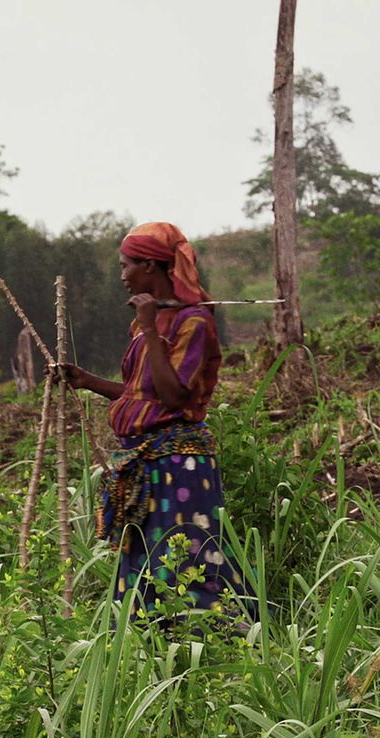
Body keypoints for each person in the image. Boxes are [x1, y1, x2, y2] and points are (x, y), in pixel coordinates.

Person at [58, 222, 254, 628]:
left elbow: (173, 396)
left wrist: (149, 327)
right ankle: (149, 646)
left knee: (186, 557)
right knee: (144, 559)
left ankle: (217, 639)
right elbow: (140, 394)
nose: (122, 276)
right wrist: (86, 381)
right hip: (147, 467)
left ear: (149, 266)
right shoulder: (148, 325)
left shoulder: (193, 322)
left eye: (125, 265)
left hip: (180, 466)